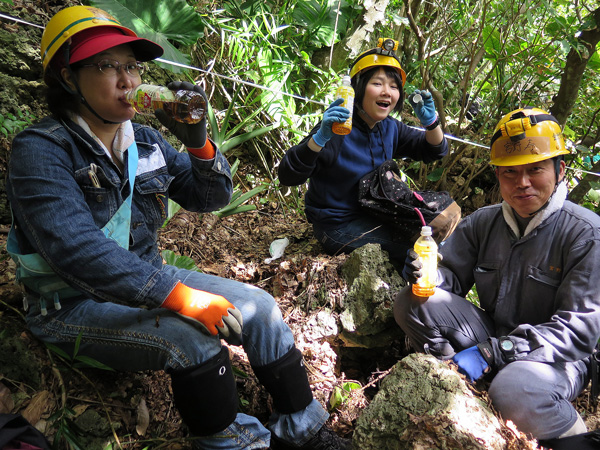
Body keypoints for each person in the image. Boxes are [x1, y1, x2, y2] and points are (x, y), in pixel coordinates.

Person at [6, 6, 351, 450]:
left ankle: (304, 426)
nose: (127, 80)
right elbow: (75, 248)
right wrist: (181, 297)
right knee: (189, 339)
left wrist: (197, 139)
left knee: (261, 308)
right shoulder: (40, 151)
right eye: (106, 66)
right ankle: (233, 443)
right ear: (67, 78)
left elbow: (210, 198)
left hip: (147, 277)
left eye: (130, 65)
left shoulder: (145, 141)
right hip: (69, 305)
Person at [394, 107, 600, 442]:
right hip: (493, 335)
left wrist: (494, 352)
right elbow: (449, 279)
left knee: (514, 390)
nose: (522, 183)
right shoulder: (484, 222)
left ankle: (577, 438)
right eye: (509, 173)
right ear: (497, 175)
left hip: (557, 359)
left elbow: (576, 333)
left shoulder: (586, 234)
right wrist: (423, 274)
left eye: (535, 169)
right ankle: (457, 381)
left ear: (560, 169)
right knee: (411, 302)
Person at [278, 38, 449, 262]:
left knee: (442, 223)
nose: (387, 92)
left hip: (376, 216)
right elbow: (288, 175)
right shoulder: (337, 128)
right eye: (377, 83)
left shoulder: (389, 128)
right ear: (358, 88)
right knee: (414, 249)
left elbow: (434, 150)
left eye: (394, 86)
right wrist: (320, 138)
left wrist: (431, 122)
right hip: (337, 226)